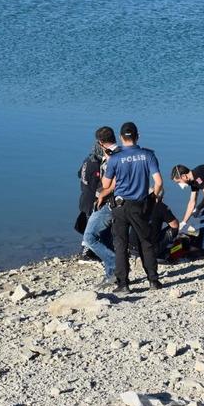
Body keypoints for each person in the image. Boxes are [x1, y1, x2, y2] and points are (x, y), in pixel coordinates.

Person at [101, 122, 164, 293]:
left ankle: (123, 284)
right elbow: (158, 182)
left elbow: (105, 184)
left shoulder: (114, 158)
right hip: (140, 205)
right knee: (146, 242)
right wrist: (153, 198)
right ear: (138, 136)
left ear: (121, 137)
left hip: (120, 206)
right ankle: (153, 281)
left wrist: (108, 162)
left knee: (121, 244)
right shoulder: (148, 155)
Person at [81, 126, 119, 285]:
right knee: (104, 237)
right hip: (117, 202)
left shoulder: (113, 157)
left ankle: (116, 266)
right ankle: (112, 273)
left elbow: (115, 183)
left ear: (100, 142)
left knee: (89, 237)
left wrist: (101, 195)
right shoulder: (122, 153)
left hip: (110, 203)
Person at [129, 195, 179, 261]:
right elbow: (175, 225)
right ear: (161, 198)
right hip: (150, 251)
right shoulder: (161, 206)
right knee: (174, 229)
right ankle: (165, 249)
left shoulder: (136, 204)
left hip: (132, 248)